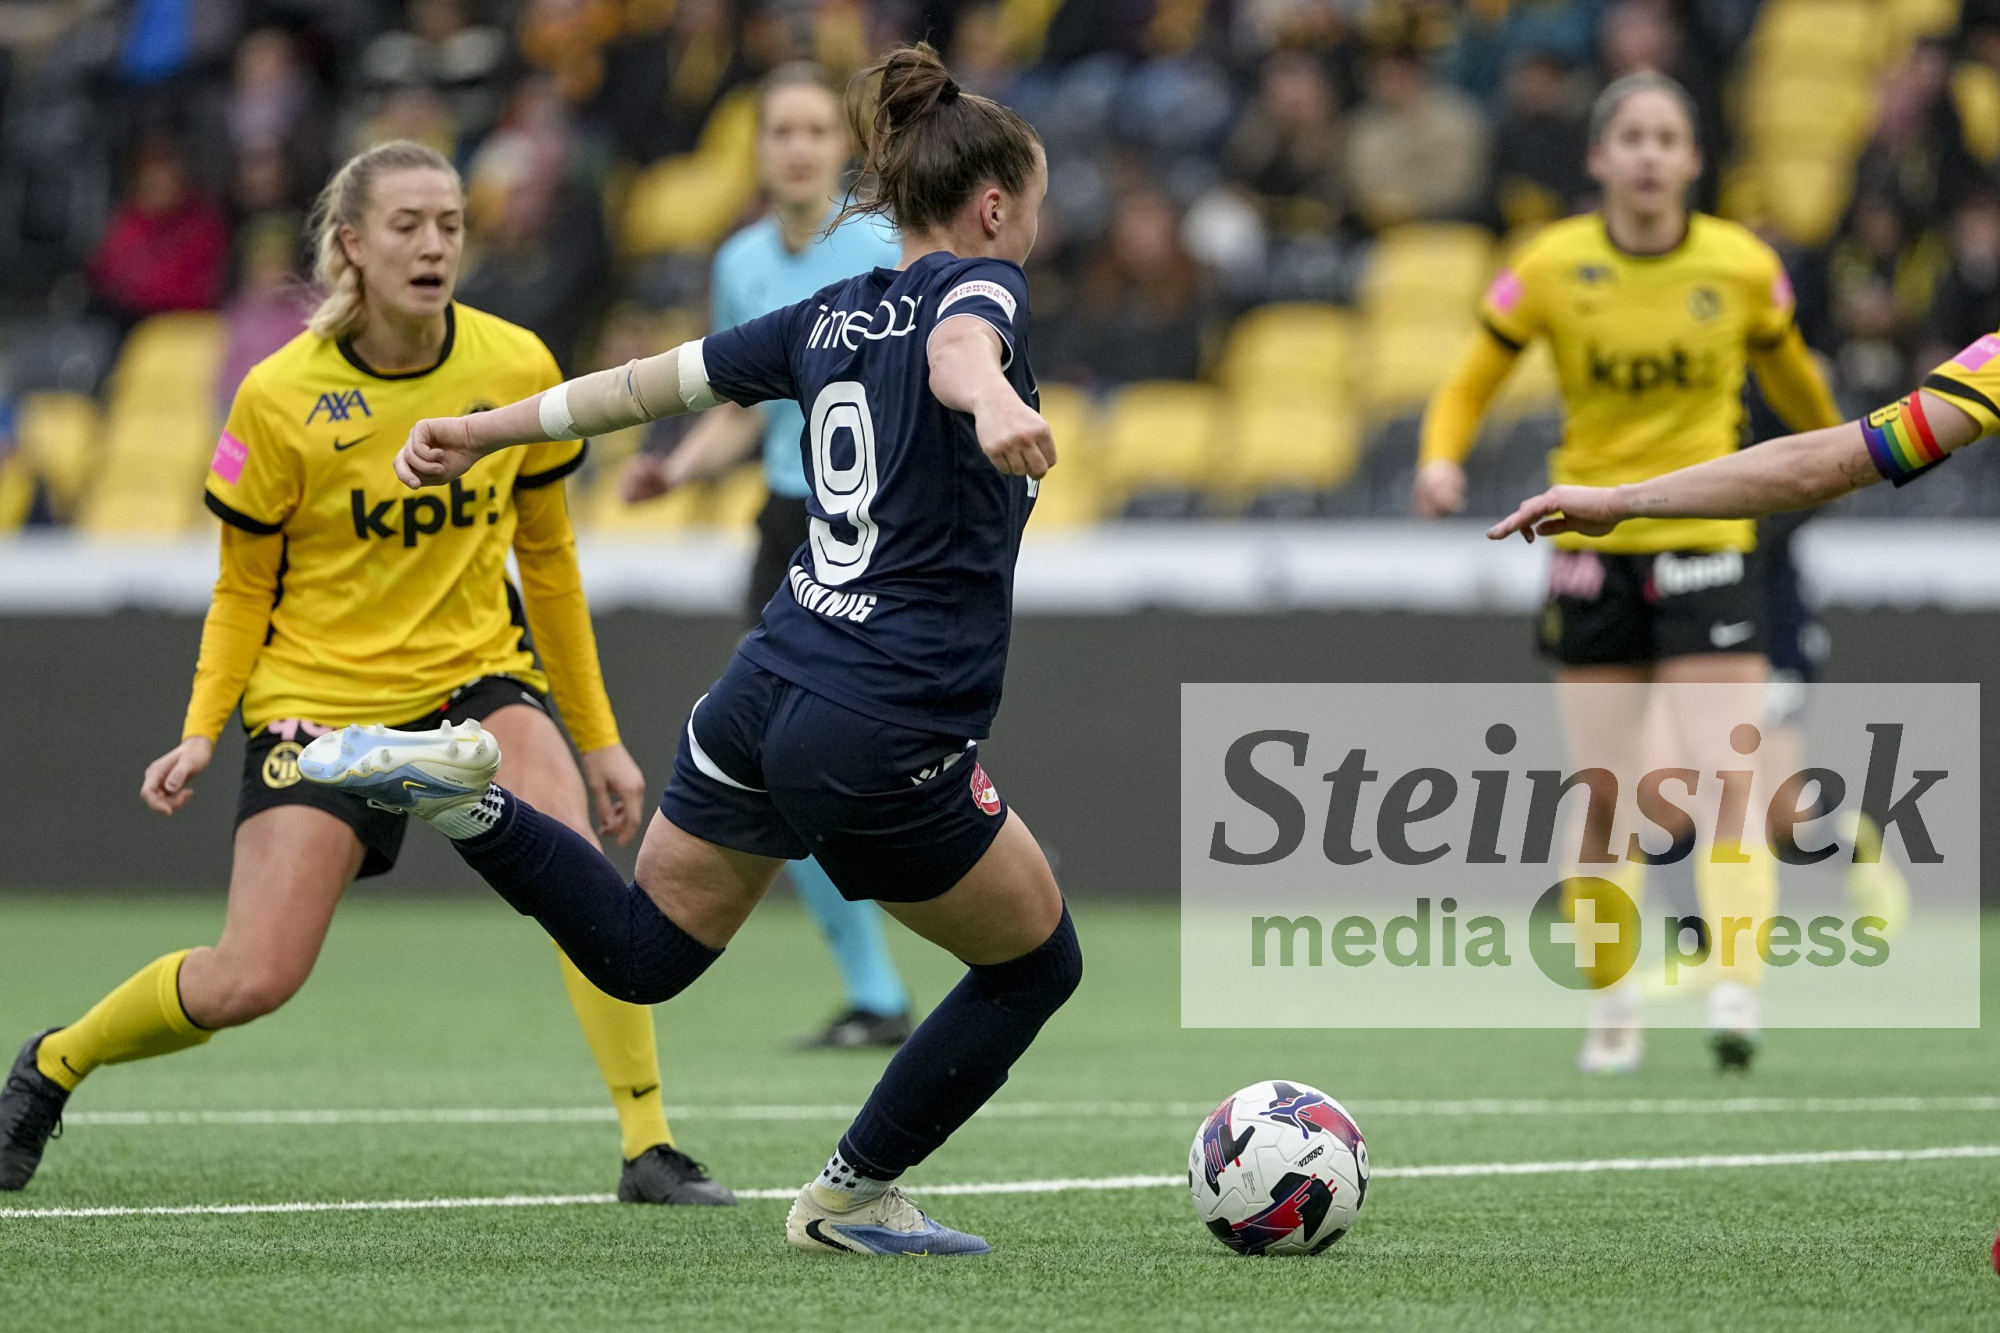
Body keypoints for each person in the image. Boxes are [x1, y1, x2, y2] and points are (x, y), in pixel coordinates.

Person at [301, 43, 1075, 1257]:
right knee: (1037, 966)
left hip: (760, 689)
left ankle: (466, 804)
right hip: (882, 721)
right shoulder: (983, 287)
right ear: (990, 207)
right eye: (1034, 200)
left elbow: (639, 387)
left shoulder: (825, 312)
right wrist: (996, 403)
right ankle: (849, 1194)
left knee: (642, 954)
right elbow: (959, 349)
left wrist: (482, 430)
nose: (1036, 223)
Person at [0, 141, 732, 1208]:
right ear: (350, 243)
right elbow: (242, 588)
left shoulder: (516, 363)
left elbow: (548, 562)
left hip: (474, 679)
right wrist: (202, 729)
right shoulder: (278, 395)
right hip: (321, 706)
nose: (434, 245)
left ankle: (648, 1142)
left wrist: (599, 737)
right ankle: (54, 1062)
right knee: (252, 977)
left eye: (450, 224)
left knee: (582, 879)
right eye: (407, 225)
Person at [1415, 72, 1845, 1074]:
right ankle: (1611, 1008)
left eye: (1667, 138)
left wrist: (1836, 457)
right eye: (1632, 138)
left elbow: (1799, 387)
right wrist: (1440, 460)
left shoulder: (1741, 266)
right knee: (1608, 795)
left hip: (1707, 540)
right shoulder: (1550, 265)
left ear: (1692, 160)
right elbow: (1469, 380)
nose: (1649, 154)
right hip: (1590, 548)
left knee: (1726, 772)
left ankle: (1736, 989)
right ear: (1599, 157)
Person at [620, 61, 915, 1051]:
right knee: (784, 767)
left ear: (843, 150)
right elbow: (743, 402)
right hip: (787, 529)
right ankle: (875, 995)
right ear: (757, 151)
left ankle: (929, 967)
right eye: (779, 131)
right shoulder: (741, 261)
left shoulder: (883, 248)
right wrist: (674, 467)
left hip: (870, 529)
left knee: (853, 762)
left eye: (813, 131)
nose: (795, 147)